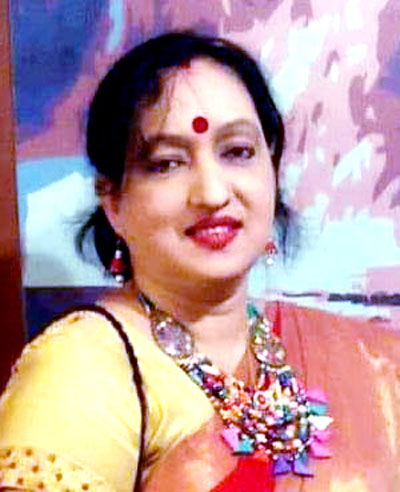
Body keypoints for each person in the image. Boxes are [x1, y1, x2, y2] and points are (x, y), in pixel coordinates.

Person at [0, 31, 399, 492]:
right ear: (113, 200)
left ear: (271, 169)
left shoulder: (366, 361)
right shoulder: (82, 367)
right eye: (167, 163)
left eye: (238, 152)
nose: (211, 193)